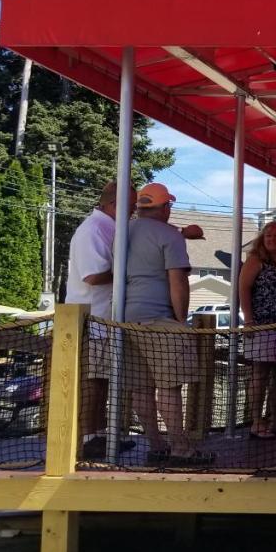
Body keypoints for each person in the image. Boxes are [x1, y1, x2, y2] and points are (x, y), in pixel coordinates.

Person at [124, 183, 200, 464]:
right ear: (165, 207)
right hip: (160, 319)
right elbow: (177, 281)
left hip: (126, 319)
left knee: (140, 387)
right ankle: (181, 449)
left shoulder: (124, 231)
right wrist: (181, 321)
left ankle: (156, 446)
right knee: (170, 386)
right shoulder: (169, 236)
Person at [66, 181, 136, 458]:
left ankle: (101, 435)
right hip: (94, 321)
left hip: (105, 321)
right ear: (113, 204)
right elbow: (93, 276)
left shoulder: (110, 228)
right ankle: (87, 437)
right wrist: (129, 274)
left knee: (104, 380)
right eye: (129, 206)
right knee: (93, 381)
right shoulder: (93, 230)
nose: (132, 211)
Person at [239, 221, 276, 438]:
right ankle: (257, 422)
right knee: (260, 374)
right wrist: (248, 319)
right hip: (262, 325)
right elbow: (243, 287)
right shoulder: (256, 260)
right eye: (268, 235)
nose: (272, 239)